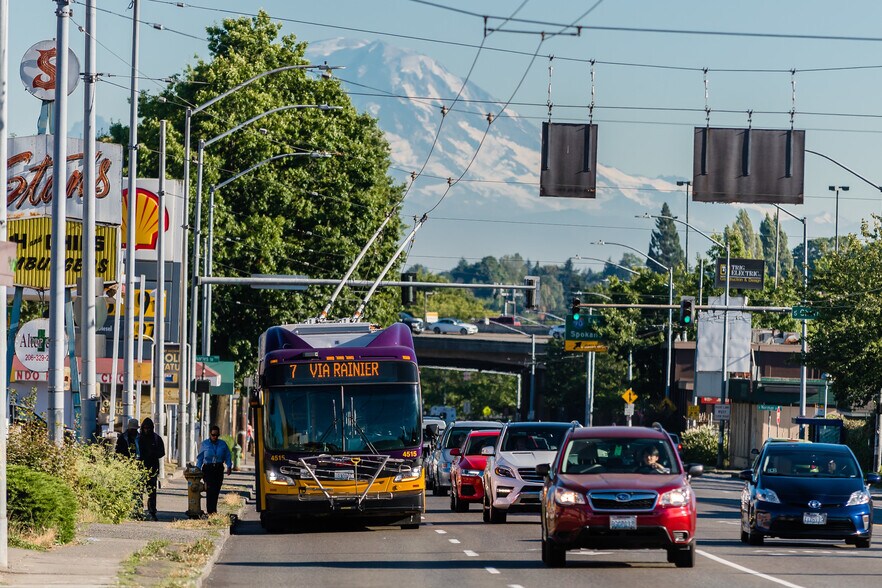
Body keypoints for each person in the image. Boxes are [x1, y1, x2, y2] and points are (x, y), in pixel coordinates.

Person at [197, 424, 232, 515]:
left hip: (218, 468)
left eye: (216, 435)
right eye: (213, 435)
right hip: (208, 469)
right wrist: (198, 469)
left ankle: (214, 510)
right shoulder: (205, 444)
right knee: (209, 489)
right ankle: (210, 511)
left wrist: (229, 466)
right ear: (210, 434)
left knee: (216, 490)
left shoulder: (222, 444)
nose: (215, 437)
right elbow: (200, 458)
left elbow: (227, 456)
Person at [137, 418, 165, 521]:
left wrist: (152, 454)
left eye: (148, 428)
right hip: (140, 468)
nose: (147, 430)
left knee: (152, 492)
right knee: (139, 490)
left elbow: (162, 452)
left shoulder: (156, 439)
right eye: (145, 428)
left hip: (152, 469)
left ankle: (152, 511)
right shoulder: (139, 439)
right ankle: (139, 511)